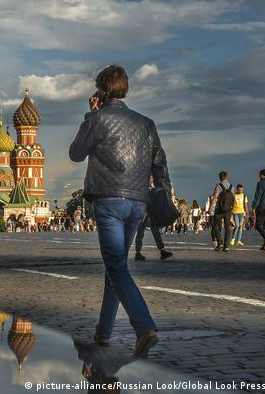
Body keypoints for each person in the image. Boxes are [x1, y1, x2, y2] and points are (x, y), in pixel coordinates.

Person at [69, 65, 169, 357]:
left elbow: (75, 154)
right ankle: (103, 331)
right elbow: (160, 162)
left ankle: (144, 328)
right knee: (116, 267)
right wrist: (163, 191)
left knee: (116, 266)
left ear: (100, 91)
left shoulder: (98, 119)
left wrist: (90, 115)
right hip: (138, 202)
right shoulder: (146, 122)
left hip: (109, 201)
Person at [209, 171, 234, 252]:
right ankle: (226, 246)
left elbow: (215, 197)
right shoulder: (231, 186)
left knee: (216, 226)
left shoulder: (219, 186)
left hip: (219, 210)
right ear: (226, 177)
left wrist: (210, 208)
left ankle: (220, 243)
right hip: (228, 210)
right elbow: (233, 199)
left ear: (220, 177)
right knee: (227, 228)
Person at [251, 168, 265, 251]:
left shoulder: (260, 183)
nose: (259, 176)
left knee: (258, 225)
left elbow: (257, 197)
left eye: (259, 174)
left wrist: (254, 207)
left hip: (263, 207)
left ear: (263, 175)